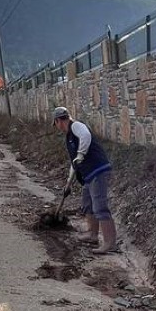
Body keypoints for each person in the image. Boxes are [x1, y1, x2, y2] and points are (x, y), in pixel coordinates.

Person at [53, 107, 119, 254]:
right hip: (88, 175)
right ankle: (92, 234)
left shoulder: (76, 126)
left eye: (56, 123)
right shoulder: (69, 137)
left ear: (58, 121)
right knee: (87, 204)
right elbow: (74, 162)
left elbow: (86, 136)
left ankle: (110, 243)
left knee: (99, 206)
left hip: (98, 170)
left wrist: (81, 154)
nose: (57, 127)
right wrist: (68, 184)